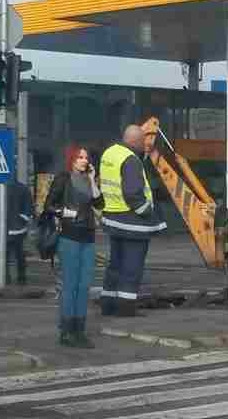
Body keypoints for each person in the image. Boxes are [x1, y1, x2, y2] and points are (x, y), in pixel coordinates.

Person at [97, 123, 163, 316]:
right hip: (133, 223)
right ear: (137, 141)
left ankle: (108, 304)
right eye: (144, 141)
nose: (146, 145)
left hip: (113, 219)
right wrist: (148, 212)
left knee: (115, 265)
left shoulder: (109, 153)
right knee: (132, 267)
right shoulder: (131, 160)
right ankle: (125, 308)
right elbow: (133, 193)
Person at [43, 144, 98, 347]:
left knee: (84, 286)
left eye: (86, 157)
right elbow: (49, 205)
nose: (84, 160)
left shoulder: (88, 180)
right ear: (72, 159)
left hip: (88, 237)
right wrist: (65, 213)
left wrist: (92, 180)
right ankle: (66, 332)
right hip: (69, 236)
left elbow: (100, 204)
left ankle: (79, 331)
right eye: (80, 157)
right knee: (70, 285)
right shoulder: (63, 178)